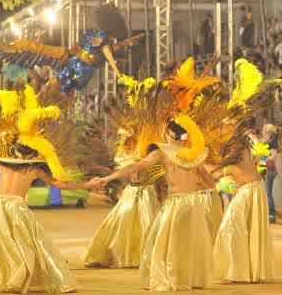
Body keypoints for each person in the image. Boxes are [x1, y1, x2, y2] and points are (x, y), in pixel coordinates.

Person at [0, 145, 104, 294]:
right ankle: (19, 278)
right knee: (29, 242)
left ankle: (4, 278)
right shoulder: (34, 170)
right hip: (16, 206)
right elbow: (61, 185)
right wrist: (88, 184)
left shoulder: (1, 165)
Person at [89, 118, 222, 291]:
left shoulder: (163, 153)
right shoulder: (195, 154)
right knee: (188, 243)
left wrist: (108, 178)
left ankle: (169, 279)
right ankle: (187, 279)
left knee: (162, 243)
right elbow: (210, 182)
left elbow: (137, 166)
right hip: (195, 203)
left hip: (177, 203)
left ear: (169, 134)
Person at [83, 144, 166, 268]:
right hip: (142, 193)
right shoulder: (149, 160)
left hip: (135, 192)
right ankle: (138, 256)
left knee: (130, 224)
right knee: (137, 224)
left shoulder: (143, 159)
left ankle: (131, 256)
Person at [211, 138, 275, 284]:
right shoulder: (243, 148)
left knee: (230, 228)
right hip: (254, 190)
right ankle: (248, 272)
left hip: (248, 191)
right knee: (248, 230)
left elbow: (215, 171)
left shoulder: (237, 148)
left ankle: (236, 273)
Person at [261, 124, 279, 223]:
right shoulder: (265, 141)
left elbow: (273, 156)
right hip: (264, 169)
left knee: (268, 192)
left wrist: (262, 159)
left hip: (269, 169)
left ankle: (271, 214)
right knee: (266, 192)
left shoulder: (272, 142)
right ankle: (268, 213)